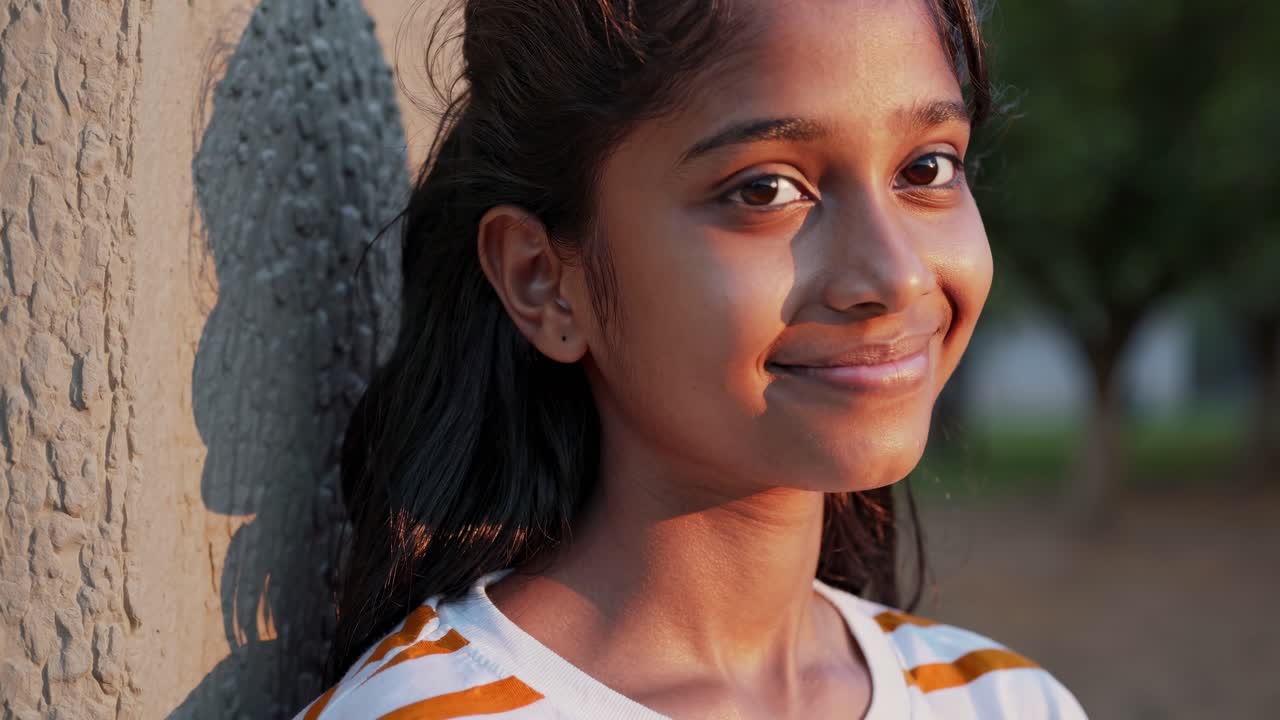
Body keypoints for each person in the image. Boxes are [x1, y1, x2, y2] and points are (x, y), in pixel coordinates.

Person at [296, 0, 1087, 717]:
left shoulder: (1008, 701)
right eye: (764, 191)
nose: (896, 274)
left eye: (927, 169)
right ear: (544, 282)